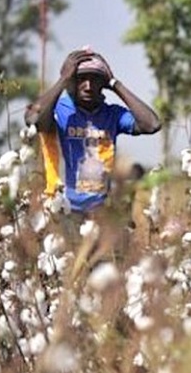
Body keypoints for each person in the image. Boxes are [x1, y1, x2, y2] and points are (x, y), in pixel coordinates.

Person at [24, 48, 161, 244]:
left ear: (102, 85)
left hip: (103, 213)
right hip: (63, 211)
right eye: (81, 79)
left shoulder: (112, 115)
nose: (88, 86)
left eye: (95, 80)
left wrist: (115, 83)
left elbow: (152, 124)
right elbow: (33, 119)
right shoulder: (58, 112)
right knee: (71, 271)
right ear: (71, 83)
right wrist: (63, 79)